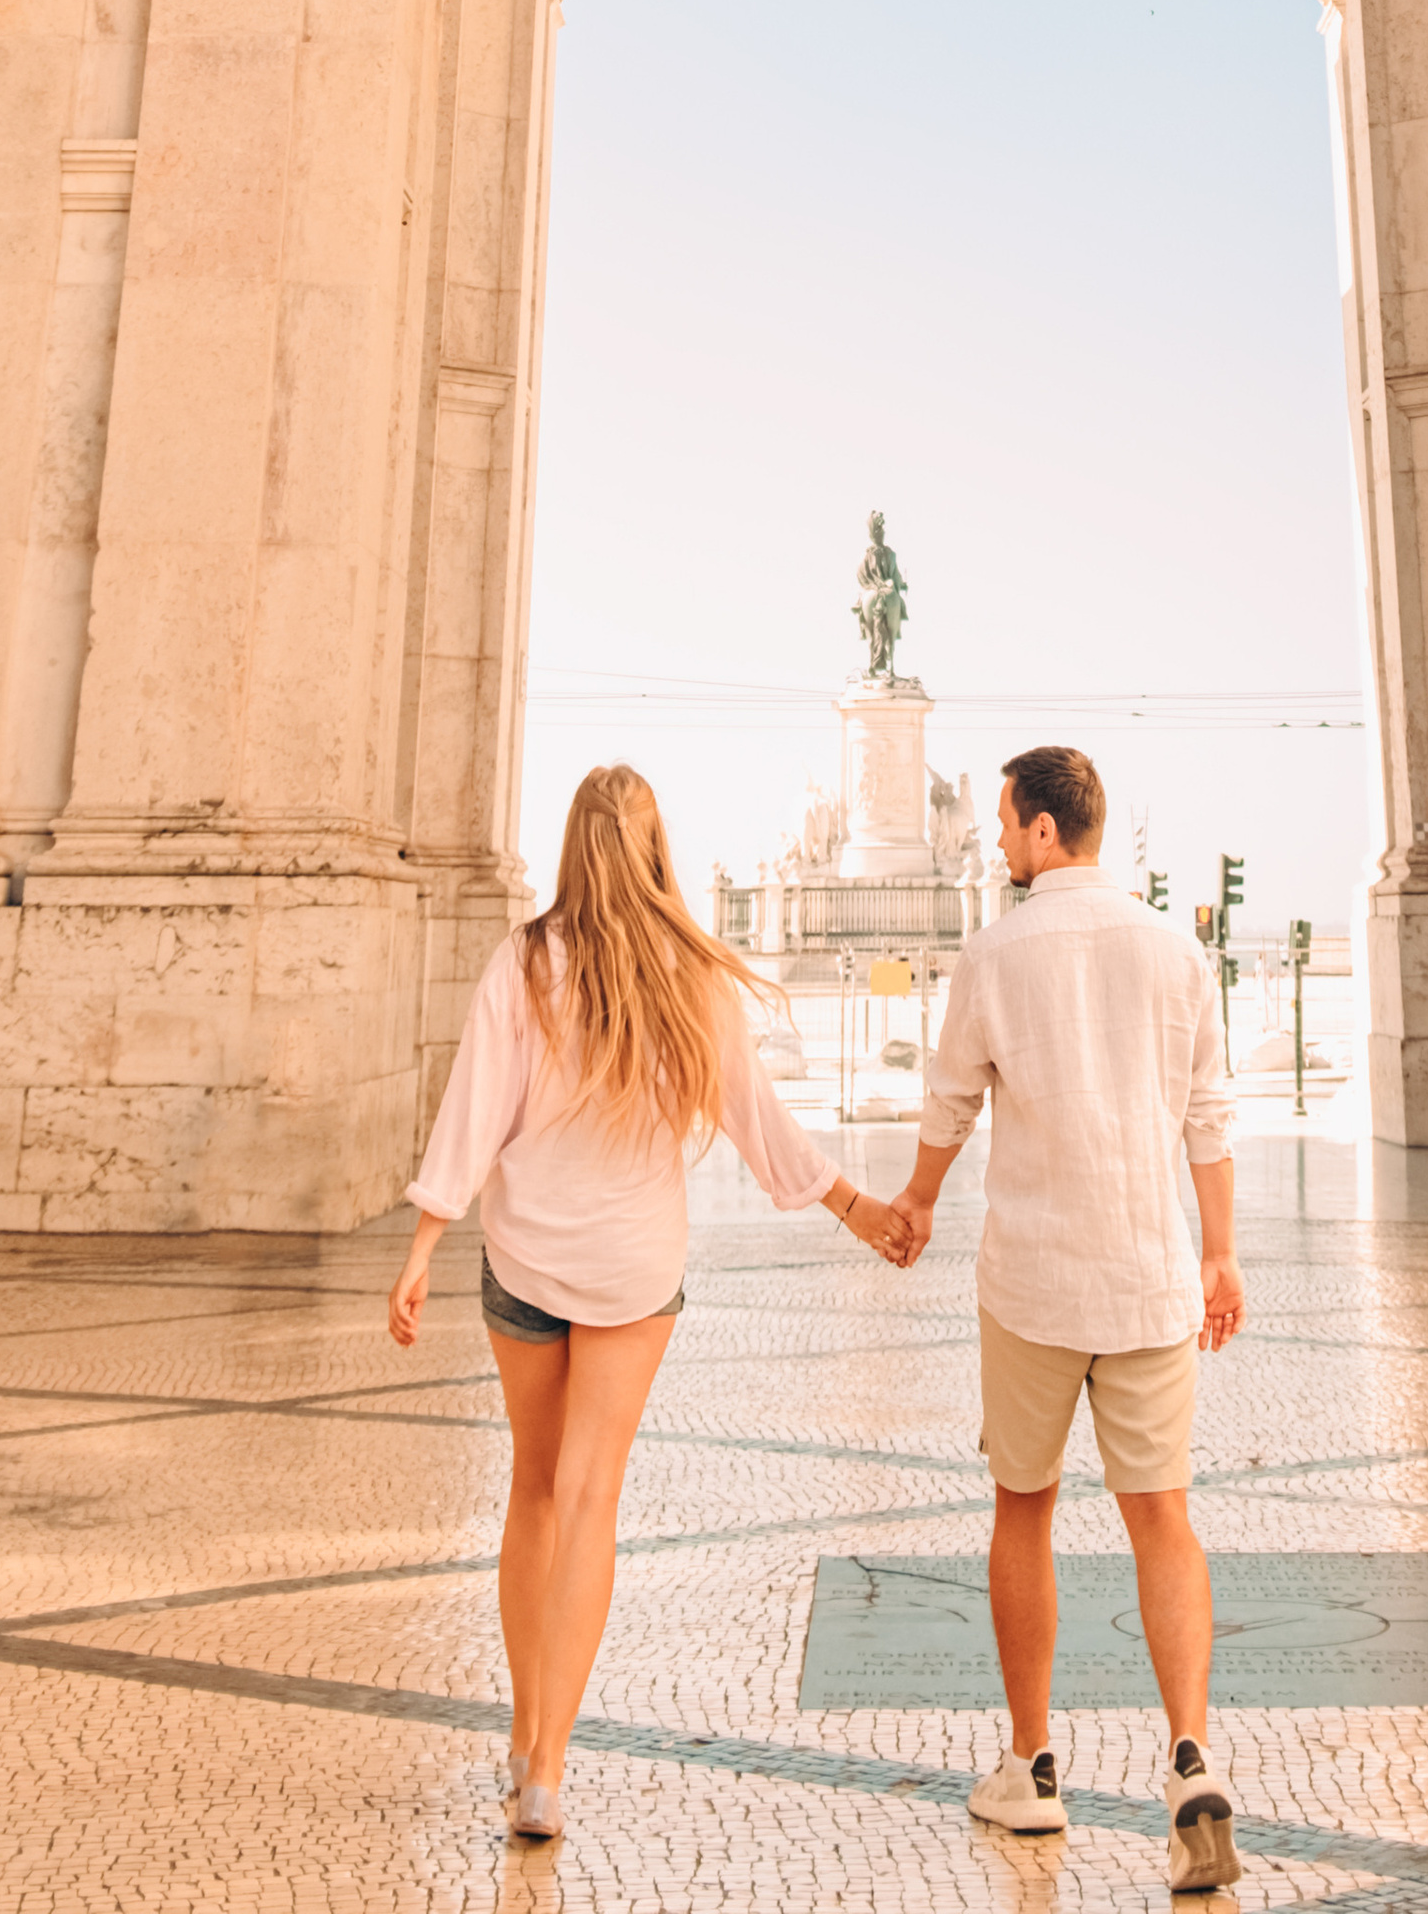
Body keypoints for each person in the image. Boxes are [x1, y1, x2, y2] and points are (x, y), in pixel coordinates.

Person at [388, 763, 908, 1845]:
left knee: (531, 1493)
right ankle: (553, 1770)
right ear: (655, 848)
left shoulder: (525, 961)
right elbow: (758, 1120)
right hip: (632, 1272)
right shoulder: (687, 972)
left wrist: (425, 1239)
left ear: (573, 845)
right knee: (588, 1499)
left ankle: (526, 1735)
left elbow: (472, 1109)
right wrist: (854, 1207)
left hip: (525, 1259)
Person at [884, 742, 1244, 1893]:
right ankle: (1188, 1759)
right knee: (1163, 1523)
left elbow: (948, 1103)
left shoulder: (994, 953)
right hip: (1149, 1279)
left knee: (1022, 1513)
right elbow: (1208, 1113)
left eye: (1003, 823)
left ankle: (1034, 1771)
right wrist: (1222, 1255)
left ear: (1045, 832)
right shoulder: (1177, 949)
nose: (994, 839)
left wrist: (916, 1204)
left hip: (1035, 1286)